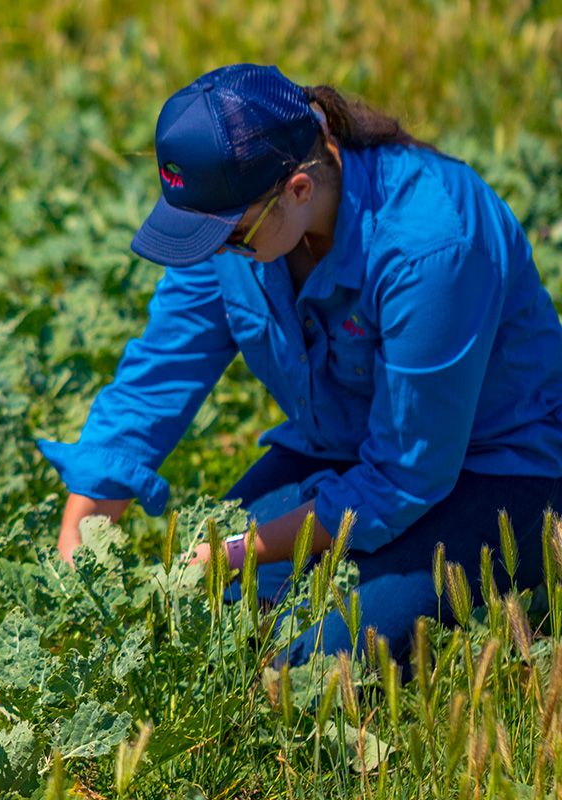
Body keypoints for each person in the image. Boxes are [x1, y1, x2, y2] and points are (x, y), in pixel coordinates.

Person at [37, 64, 562, 665]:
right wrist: (81, 525)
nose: (214, 254)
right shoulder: (236, 219)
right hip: (339, 449)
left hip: (492, 470)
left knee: (302, 668)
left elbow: (407, 477)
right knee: (197, 630)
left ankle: (533, 577)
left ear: (298, 190)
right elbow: (160, 371)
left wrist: (234, 551)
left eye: (229, 237)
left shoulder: (432, 245)